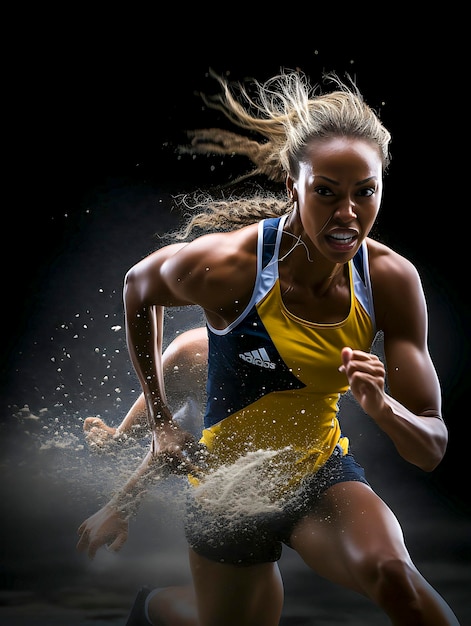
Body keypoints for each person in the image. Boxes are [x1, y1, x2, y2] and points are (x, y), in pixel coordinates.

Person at [77, 68, 460, 625]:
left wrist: (384, 408)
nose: (347, 214)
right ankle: (155, 610)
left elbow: (430, 448)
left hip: (318, 476)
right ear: (292, 186)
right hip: (228, 498)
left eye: (364, 192)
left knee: (396, 578)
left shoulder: (391, 282)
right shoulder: (229, 271)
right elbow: (139, 285)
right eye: (325, 192)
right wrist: (156, 426)